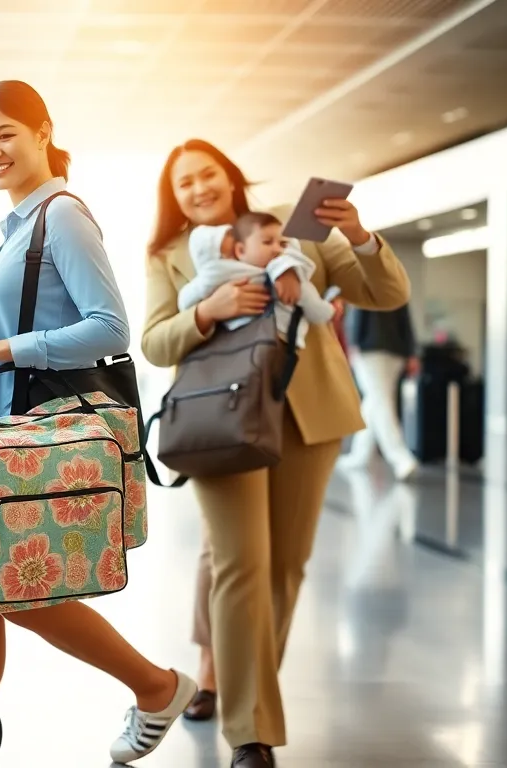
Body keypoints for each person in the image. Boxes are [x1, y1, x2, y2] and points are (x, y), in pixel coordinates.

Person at [0, 80, 197, 767]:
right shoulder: (18, 228)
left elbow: (110, 328)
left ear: (44, 132)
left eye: (5, 134)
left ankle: (157, 686)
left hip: (32, 439)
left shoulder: (64, 217)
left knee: (9, 594)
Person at [142, 139, 410, 767]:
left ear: (229, 177)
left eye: (207, 174)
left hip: (308, 417)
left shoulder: (294, 224)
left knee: (287, 567)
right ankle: (250, 731)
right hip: (222, 421)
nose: (199, 188)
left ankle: (234, 689)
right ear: (174, 198)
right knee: (242, 566)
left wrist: (363, 237)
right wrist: (208, 310)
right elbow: (156, 341)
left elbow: (384, 294)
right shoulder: (170, 255)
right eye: (184, 184)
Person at [180, 212, 336, 346]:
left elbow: (185, 301)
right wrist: (329, 310)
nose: (277, 249)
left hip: (243, 344)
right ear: (240, 250)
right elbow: (316, 309)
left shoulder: (280, 271)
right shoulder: (216, 273)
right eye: (267, 242)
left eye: (282, 244)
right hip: (269, 339)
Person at [338, 305, 420, 480]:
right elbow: (405, 321)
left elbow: (358, 312)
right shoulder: (396, 284)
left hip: (370, 348)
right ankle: (359, 455)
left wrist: (352, 343)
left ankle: (401, 459)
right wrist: (411, 352)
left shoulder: (365, 280)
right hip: (395, 350)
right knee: (376, 401)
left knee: (380, 402)